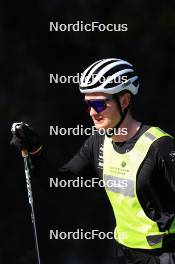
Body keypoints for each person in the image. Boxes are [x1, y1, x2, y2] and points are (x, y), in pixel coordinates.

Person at [11, 58, 175, 264]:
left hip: (164, 257)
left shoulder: (159, 145)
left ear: (124, 101)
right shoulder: (98, 142)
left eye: (99, 103)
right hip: (127, 255)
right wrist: (36, 151)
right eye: (88, 104)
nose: (92, 112)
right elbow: (58, 185)